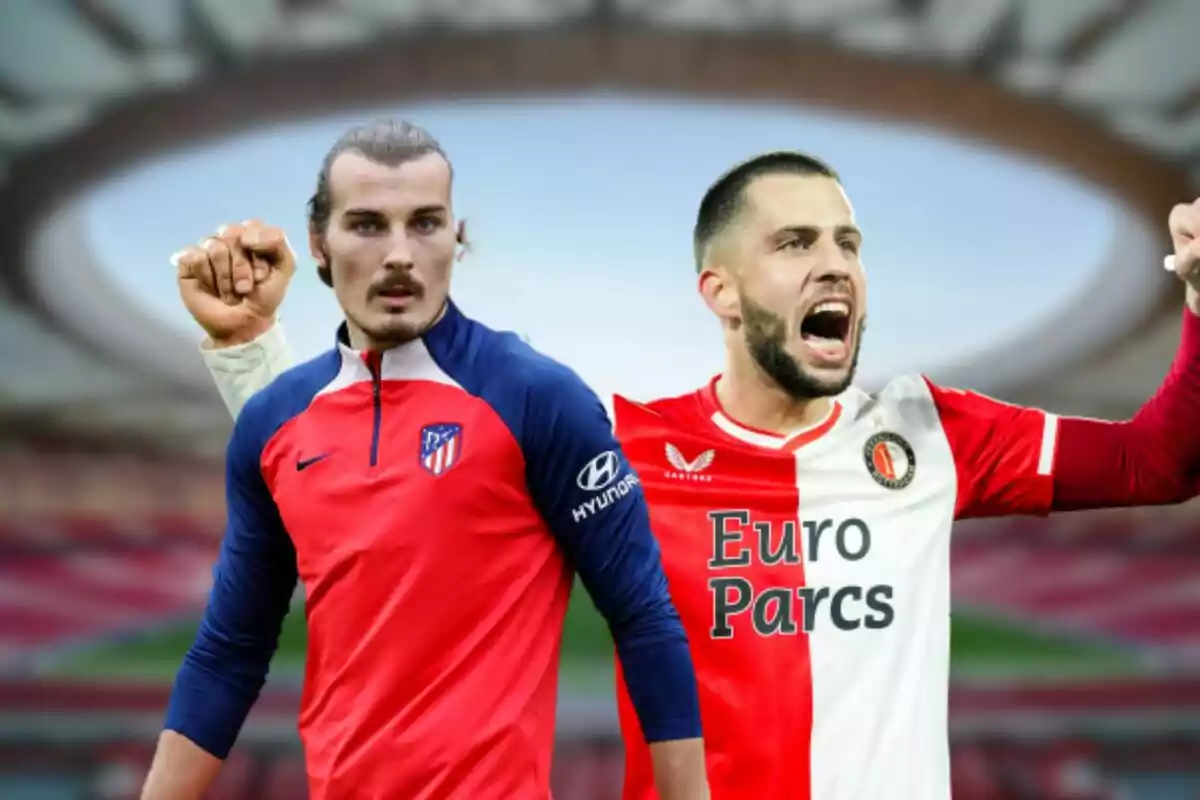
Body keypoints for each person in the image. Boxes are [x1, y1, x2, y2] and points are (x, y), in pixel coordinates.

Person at [184, 146, 1200, 800]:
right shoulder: (621, 445)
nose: (836, 263)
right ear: (718, 287)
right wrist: (250, 352)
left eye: (849, 242)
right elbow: (381, 480)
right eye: (796, 242)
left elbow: (1162, 461)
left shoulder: (933, 430)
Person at [143, 120, 710, 800]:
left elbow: (643, 615)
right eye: (368, 225)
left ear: (457, 240)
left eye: (425, 224)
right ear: (319, 244)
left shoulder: (538, 397)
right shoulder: (273, 422)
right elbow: (229, 653)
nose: (400, 254)